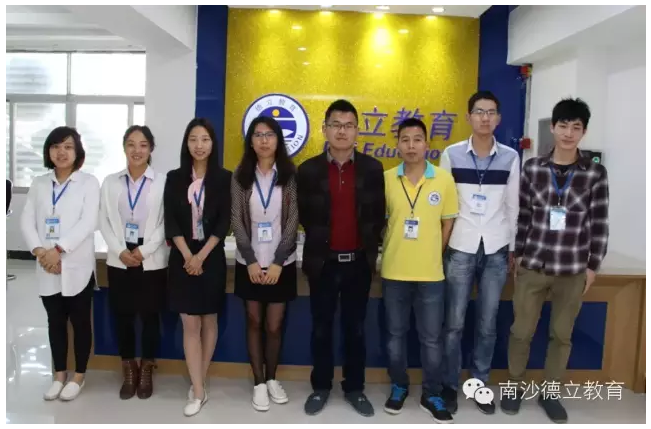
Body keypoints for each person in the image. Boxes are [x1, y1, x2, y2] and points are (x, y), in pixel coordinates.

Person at [501, 98, 609, 423]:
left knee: (561, 335)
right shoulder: (533, 168)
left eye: (576, 127)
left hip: (572, 268)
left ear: (584, 132)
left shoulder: (595, 173)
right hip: (533, 264)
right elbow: (523, 216)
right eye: (563, 125)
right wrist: (518, 254)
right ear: (552, 127)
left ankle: (550, 393)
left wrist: (593, 266)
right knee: (521, 331)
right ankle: (514, 387)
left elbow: (599, 222)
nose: (568, 133)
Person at [297, 99, 385, 417]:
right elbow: (304, 216)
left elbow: (377, 216)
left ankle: (354, 388)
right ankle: (321, 387)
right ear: (325, 129)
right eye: (336, 125)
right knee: (321, 328)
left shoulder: (372, 169)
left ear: (357, 131)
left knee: (355, 329)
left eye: (348, 126)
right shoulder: (308, 171)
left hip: (358, 263)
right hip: (322, 262)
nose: (342, 131)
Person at [438, 91, 520, 414]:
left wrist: (512, 247)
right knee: (454, 324)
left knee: (487, 324)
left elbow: (513, 206)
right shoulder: (451, 155)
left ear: (498, 118)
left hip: (496, 248)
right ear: (469, 116)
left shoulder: (510, 157)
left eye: (491, 112)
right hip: (460, 246)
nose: (485, 118)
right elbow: (444, 206)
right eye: (479, 111)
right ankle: (449, 385)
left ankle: (479, 383)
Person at [380, 118, 458, 423]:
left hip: (431, 275)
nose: (411, 146)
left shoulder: (443, 180)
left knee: (432, 339)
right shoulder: (386, 179)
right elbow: (381, 222)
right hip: (394, 272)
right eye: (405, 140)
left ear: (427, 144)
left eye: (417, 140)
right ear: (397, 145)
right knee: (394, 336)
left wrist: (434, 253)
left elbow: (448, 223)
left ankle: (432, 393)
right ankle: (399, 386)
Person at [20, 126, 99, 402]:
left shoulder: (88, 182)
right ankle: (59, 375)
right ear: (48, 152)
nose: (61, 152)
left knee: (80, 322)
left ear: (77, 152)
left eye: (67, 146)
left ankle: (79, 375)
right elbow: (27, 220)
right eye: (55, 146)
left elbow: (88, 222)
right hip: (47, 266)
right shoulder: (39, 183)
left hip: (76, 265)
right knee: (54, 322)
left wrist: (58, 250)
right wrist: (41, 251)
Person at [163, 118, 232, 417]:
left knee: (209, 321)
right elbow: (171, 221)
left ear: (213, 144)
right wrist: (188, 256)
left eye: (205, 139)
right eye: (193, 139)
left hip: (211, 256)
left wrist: (201, 256)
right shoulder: (174, 177)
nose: (199, 145)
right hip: (182, 257)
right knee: (190, 324)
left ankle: (198, 381)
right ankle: (199, 391)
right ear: (186, 143)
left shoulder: (224, 178)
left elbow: (224, 222)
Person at [231, 116, 298, 411]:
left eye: (269, 134)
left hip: (280, 263)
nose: (264, 140)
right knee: (254, 321)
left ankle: (272, 378)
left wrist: (278, 262)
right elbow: (236, 218)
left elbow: (293, 219)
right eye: (258, 135)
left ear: (278, 140)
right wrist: (250, 260)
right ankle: (258, 383)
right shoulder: (241, 176)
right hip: (250, 261)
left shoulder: (289, 175)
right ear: (251, 142)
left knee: (274, 325)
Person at [99, 126, 169, 400]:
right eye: (131, 144)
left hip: (151, 258)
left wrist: (144, 250)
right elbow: (103, 220)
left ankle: (147, 367)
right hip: (119, 258)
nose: (136, 150)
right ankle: (129, 368)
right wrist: (119, 251)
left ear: (151, 148)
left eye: (143, 145)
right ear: (124, 147)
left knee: (151, 316)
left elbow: (166, 222)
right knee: (123, 316)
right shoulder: (111, 182)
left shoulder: (162, 182)